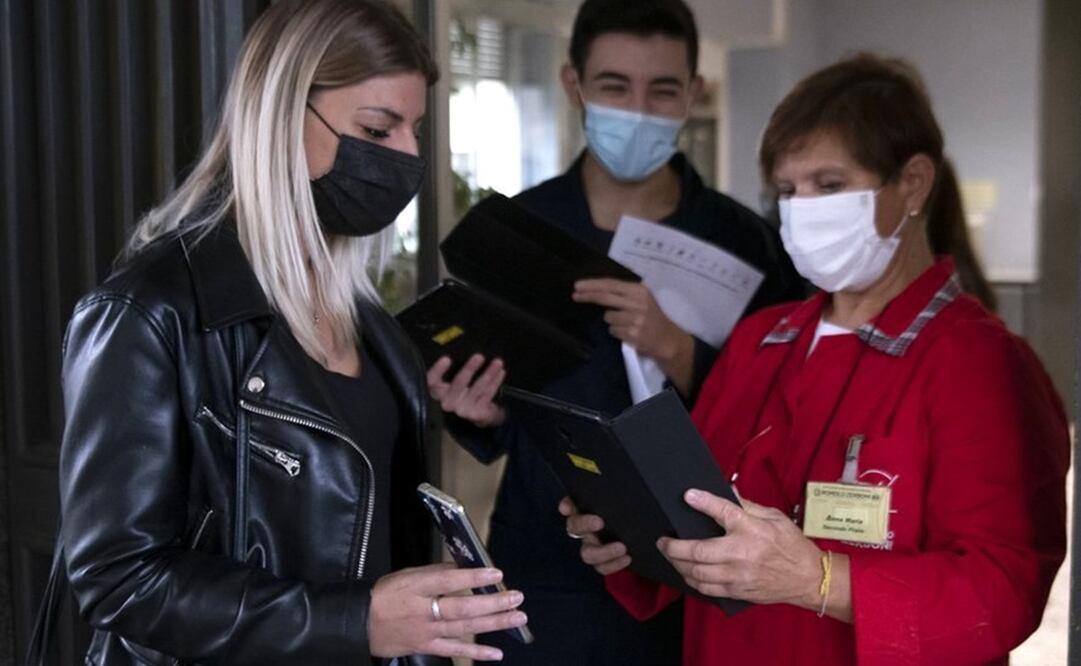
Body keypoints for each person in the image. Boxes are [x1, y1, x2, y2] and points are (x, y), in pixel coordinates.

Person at [43, 1, 528, 664]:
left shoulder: (376, 332)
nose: (410, 157)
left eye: (415, 130)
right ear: (281, 117)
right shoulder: (147, 312)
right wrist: (353, 621)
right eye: (379, 129)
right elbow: (118, 579)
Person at [564, 52, 1069, 665]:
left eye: (828, 186)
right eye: (787, 190)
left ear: (912, 183)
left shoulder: (980, 365)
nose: (801, 209)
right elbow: (700, 516)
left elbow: (1003, 592)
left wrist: (820, 580)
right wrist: (634, 538)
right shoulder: (760, 343)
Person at [427, 1, 803, 662]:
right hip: (546, 558)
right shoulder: (520, 229)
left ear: (693, 92)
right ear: (574, 85)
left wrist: (677, 349)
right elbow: (504, 412)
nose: (637, 108)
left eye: (661, 89)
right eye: (613, 87)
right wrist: (477, 413)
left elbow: (786, 410)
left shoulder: (748, 243)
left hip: (696, 565)